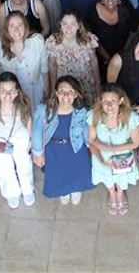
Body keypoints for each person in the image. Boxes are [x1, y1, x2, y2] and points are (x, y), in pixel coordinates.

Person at [32, 76, 93, 205]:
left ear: (76, 94)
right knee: (58, 173)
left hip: (75, 147)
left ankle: (76, 189)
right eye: (62, 91)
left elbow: (86, 130)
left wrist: (91, 145)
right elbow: (37, 131)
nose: (66, 95)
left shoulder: (81, 112)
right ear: (56, 93)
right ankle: (63, 191)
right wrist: (37, 152)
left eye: (70, 92)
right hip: (54, 149)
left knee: (77, 170)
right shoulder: (44, 110)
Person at [0, 72, 35, 209]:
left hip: (19, 136)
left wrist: (31, 139)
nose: (7, 95)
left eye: (12, 91)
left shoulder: (23, 102)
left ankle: (28, 190)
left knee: (24, 165)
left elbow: (28, 120)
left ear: (17, 91)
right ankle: (12, 193)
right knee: (4, 168)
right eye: (3, 91)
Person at [106, 32, 139, 164]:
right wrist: (125, 106)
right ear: (135, 42)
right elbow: (111, 87)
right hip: (120, 100)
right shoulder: (119, 58)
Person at [88, 84, 139, 215]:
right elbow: (91, 141)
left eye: (113, 101)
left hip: (123, 157)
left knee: (122, 180)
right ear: (101, 102)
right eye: (105, 101)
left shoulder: (131, 118)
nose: (109, 105)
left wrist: (111, 149)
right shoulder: (94, 116)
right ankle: (113, 194)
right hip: (102, 157)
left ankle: (120, 194)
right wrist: (101, 159)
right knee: (108, 180)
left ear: (121, 101)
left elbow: (135, 143)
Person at [0, 12, 49, 109]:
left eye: (20, 25)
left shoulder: (37, 40)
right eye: (12, 26)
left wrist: (46, 86)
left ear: (25, 26)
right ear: (6, 28)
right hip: (13, 92)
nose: (16, 29)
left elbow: (44, 66)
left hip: (35, 88)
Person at [46, 12, 101, 104]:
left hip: (85, 86)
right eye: (65, 24)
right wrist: (53, 91)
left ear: (78, 25)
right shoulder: (53, 42)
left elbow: (94, 62)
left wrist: (98, 86)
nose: (69, 28)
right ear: (60, 26)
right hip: (64, 90)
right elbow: (52, 66)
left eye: (73, 24)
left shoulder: (88, 39)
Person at [86, 0, 135, 72]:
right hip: (101, 58)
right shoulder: (93, 12)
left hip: (124, 55)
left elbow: (132, 34)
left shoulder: (126, 8)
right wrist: (108, 59)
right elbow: (92, 39)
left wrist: (121, 57)